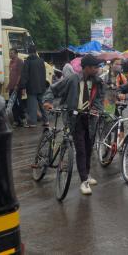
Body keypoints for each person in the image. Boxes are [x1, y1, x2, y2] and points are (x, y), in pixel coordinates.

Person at [43, 54, 105, 195]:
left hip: (90, 118)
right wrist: (48, 101)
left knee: (89, 147)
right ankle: (84, 181)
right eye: (95, 67)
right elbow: (52, 89)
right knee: (81, 149)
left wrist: (97, 109)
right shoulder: (72, 79)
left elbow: (100, 99)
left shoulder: (98, 82)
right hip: (74, 117)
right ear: (87, 68)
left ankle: (87, 174)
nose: (97, 70)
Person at [20, 46, 48, 128]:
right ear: (36, 51)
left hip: (31, 87)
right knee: (42, 105)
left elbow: (25, 75)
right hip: (41, 87)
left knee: (32, 106)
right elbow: (44, 74)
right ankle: (46, 121)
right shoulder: (41, 61)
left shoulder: (27, 61)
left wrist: (23, 87)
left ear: (28, 52)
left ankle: (32, 122)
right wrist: (43, 85)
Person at [6, 48, 25, 126]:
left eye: (12, 53)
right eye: (9, 53)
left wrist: (17, 85)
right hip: (12, 87)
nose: (10, 54)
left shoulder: (20, 61)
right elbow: (11, 75)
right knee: (13, 104)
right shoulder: (11, 62)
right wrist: (8, 85)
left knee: (18, 104)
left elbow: (20, 74)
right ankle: (17, 120)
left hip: (17, 87)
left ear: (16, 54)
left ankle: (21, 119)